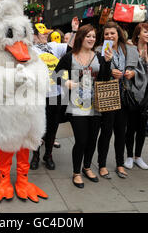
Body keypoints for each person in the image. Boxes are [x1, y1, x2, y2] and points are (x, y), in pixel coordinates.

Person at [54, 24, 112, 188]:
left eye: (93, 36)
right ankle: (76, 172)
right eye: (88, 36)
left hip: (95, 104)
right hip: (76, 104)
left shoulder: (100, 56)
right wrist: (66, 82)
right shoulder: (69, 56)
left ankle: (87, 167)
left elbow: (105, 79)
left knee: (92, 139)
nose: (91, 39)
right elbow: (55, 74)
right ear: (81, 37)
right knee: (81, 140)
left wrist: (108, 62)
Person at [29, 19, 77, 171]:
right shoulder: (30, 50)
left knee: (52, 127)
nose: (45, 35)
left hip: (56, 94)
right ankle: (35, 155)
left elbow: (71, 46)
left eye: (45, 33)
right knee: (36, 127)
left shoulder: (54, 46)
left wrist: (74, 31)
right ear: (34, 35)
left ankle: (48, 155)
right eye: (42, 33)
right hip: (38, 94)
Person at [96, 21, 140, 179]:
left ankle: (120, 164)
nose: (109, 36)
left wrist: (131, 73)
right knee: (106, 132)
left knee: (122, 132)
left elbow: (139, 68)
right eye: (106, 34)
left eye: (112, 33)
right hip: (109, 94)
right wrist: (109, 69)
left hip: (125, 94)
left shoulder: (128, 49)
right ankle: (102, 165)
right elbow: (98, 73)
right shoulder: (101, 50)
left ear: (118, 34)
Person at [124, 23, 148, 170]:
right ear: (138, 34)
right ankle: (129, 156)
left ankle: (138, 156)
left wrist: (143, 62)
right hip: (133, 92)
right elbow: (128, 70)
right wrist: (136, 71)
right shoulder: (130, 49)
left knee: (142, 127)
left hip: (147, 94)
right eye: (145, 32)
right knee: (130, 126)